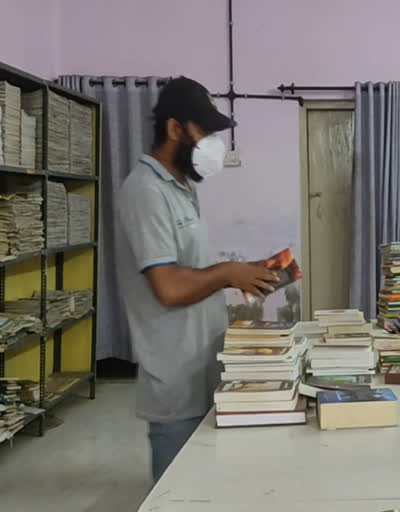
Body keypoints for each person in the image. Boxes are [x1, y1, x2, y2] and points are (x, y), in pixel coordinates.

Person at [115, 77, 279, 482]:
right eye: (204, 132)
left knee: (206, 486)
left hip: (201, 364)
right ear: (175, 129)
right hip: (174, 374)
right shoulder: (146, 191)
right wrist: (226, 273)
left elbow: (187, 267)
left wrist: (243, 271)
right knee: (178, 493)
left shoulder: (180, 188)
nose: (211, 145)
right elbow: (168, 287)